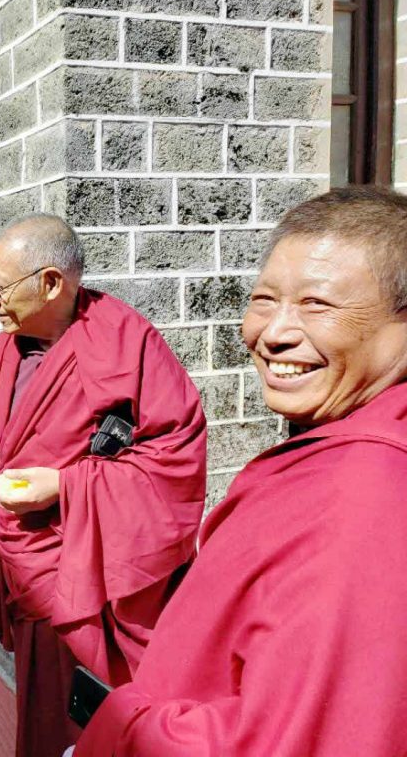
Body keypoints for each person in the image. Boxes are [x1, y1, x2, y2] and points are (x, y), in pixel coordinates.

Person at [74, 186, 407, 756]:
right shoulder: (339, 443)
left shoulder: (365, 500)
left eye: (317, 304)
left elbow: (297, 738)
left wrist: (118, 730)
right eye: (264, 299)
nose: (272, 333)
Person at [0, 214, 207, 757]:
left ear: (51, 283)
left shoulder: (125, 340)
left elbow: (177, 455)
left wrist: (66, 485)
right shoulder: (1, 352)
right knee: (46, 708)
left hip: (98, 567)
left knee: (107, 714)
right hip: (30, 564)